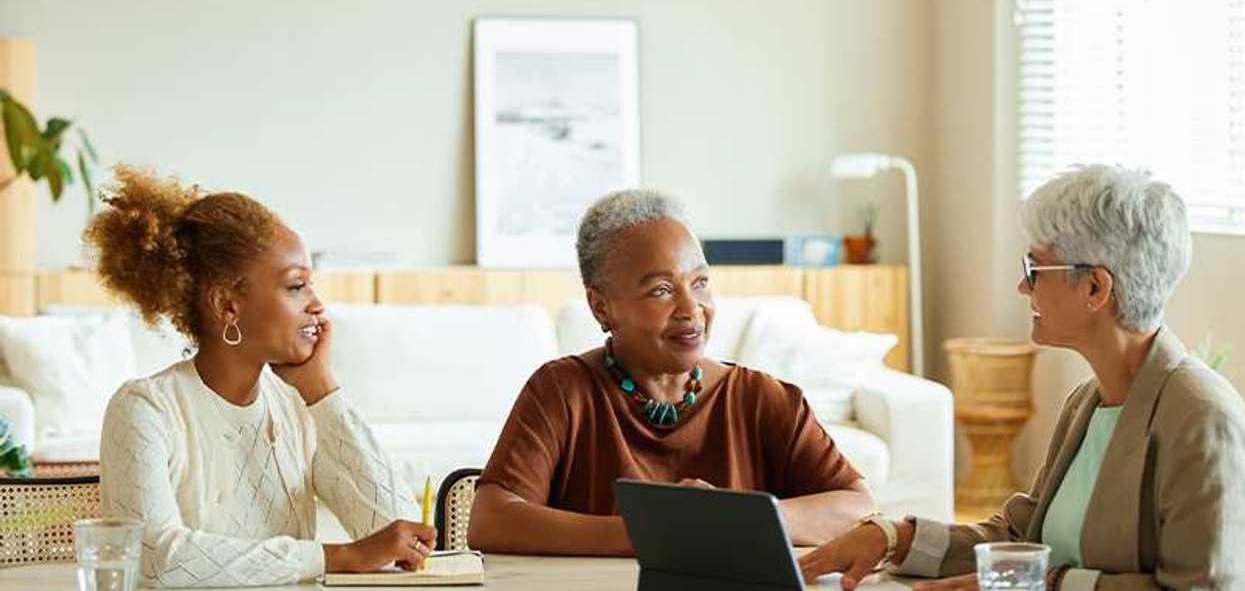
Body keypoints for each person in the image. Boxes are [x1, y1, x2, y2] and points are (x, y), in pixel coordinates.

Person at [799, 165, 1245, 589]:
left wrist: (1045, 585)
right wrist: (894, 538)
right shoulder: (1087, 401)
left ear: (1095, 288)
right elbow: (1021, 539)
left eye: (1034, 269)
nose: (1022, 286)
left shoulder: (1202, 418)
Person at [467, 189, 874, 555]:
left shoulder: (764, 398)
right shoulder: (561, 391)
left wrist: (738, 521)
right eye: (661, 290)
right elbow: (491, 519)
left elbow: (857, 507)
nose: (691, 309)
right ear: (600, 307)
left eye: (700, 283)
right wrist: (653, 532)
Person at [88, 166, 435, 587]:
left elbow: (398, 534)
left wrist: (323, 394)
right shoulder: (145, 409)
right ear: (227, 306)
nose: (317, 305)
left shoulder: (298, 405)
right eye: (296, 287)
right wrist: (341, 556)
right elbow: (157, 558)